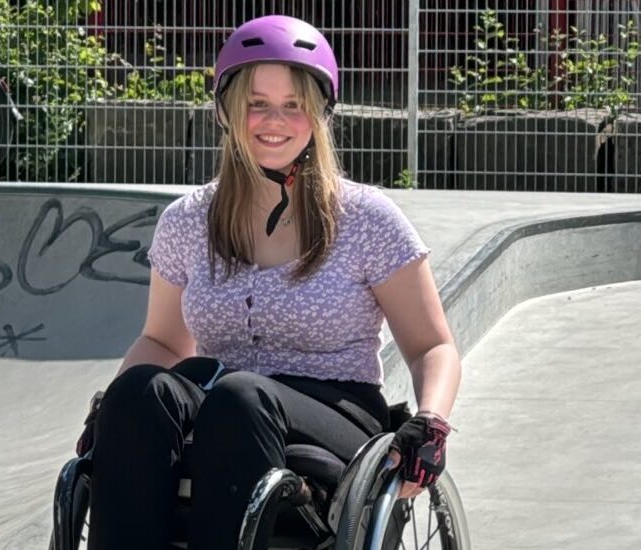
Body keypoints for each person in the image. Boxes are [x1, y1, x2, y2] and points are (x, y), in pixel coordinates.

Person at [84, 14, 461, 550]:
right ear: (227, 110)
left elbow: (433, 346)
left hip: (335, 411)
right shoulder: (187, 222)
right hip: (222, 404)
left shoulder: (366, 219)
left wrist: (432, 423)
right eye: (257, 103)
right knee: (138, 396)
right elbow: (163, 342)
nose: (273, 120)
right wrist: (110, 410)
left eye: (293, 104)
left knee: (241, 396)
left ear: (320, 113)